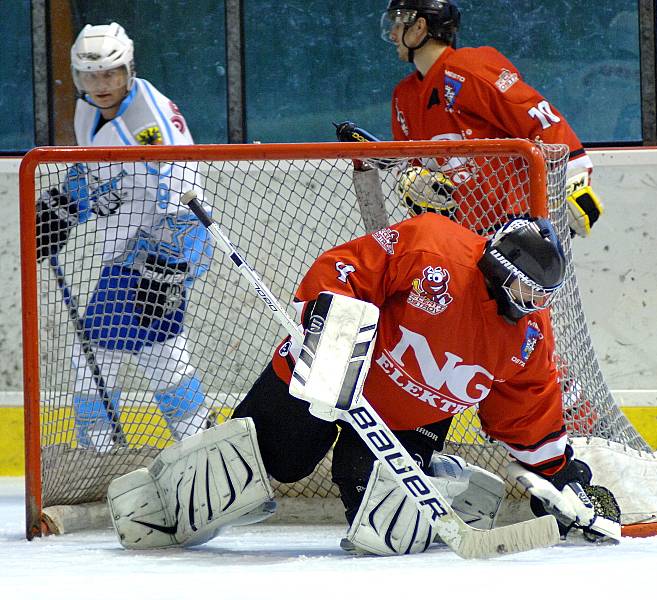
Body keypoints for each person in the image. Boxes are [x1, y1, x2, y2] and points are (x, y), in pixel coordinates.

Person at [107, 213, 619, 554]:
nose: (532, 304)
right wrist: (333, 336)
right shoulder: (434, 249)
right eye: (525, 289)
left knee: (382, 525)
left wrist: (559, 479)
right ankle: (168, 497)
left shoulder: (527, 337)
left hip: (406, 418)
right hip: (328, 373)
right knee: (269, 461)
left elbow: (527, 411)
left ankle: (447, 480)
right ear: (495, 267)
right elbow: (345, 269)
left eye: (541, 295)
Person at [35, 22, 214, 450]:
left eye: (111, 74)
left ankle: (103, 450)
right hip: (124, 252)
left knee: (102, 356)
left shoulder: (150, 124)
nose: (101, 85)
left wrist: (172, 271)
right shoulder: (87, 112)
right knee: (154, 357)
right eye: (90, 76)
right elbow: (97, 175)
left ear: (128, 70)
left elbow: (188, 202)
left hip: (158, 258)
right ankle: (203, 451)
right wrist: (63, 206)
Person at [381, 0, 603, 236]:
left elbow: (541, 119)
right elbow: (413, 167)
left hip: (517, 226)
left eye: (398, 24)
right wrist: (413, 182)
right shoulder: (403, 97)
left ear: (419, 27)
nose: (393, 35)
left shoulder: (467, 68)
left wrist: (573, 182)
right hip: (461, 235)